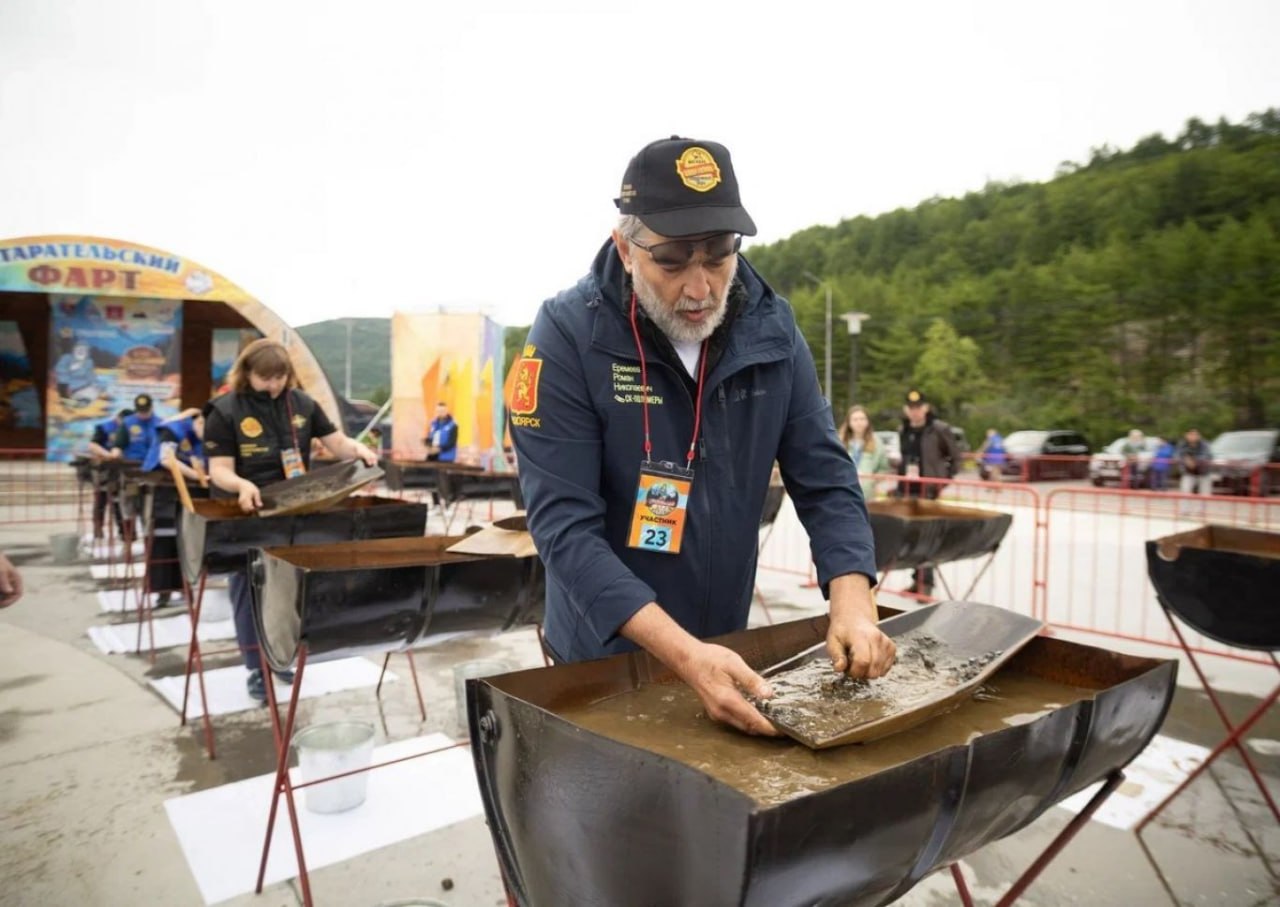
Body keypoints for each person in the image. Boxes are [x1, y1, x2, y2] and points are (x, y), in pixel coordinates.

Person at [510, 135, 894, 737]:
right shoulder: (566, 337)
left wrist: (853, 599)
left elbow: (825, 478)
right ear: (626, 248)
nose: (699, 288)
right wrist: (683, 654)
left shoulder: (773, 329)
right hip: (603, 661)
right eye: (672, 261)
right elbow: (564, 529)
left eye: (718, 256)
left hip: (726, 645)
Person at [203, 339, 379, 702]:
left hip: (295, 512)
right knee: (249, 589)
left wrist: (359, 449)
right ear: (247, 373)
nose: (273, 385)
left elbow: (337, 443)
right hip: (248, 513)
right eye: (265, 378)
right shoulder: (224, 410)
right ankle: (256, 666)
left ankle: (279, 655)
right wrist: (241, 485)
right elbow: (219, 469)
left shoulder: (302, 405)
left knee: (288, 588)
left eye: (279, 377)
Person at [897, 389, 959, 596]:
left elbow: (955, 458)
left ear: (925, 408)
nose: (915, 411)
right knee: (912, 537)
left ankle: (927, 584)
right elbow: (903, 459)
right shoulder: (903, 429)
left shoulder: (938, 429)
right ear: (906, 409)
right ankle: (917, 581)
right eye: (911, 408)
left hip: (928, 491)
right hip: (908, 490)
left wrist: (941, 483)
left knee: (927, 537)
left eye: (918, 407)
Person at [86, 407, 131, 544]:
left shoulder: (131, 427)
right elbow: (93, 445)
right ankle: (98, 530)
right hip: (104, 470)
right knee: (101, 500)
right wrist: (108, 455)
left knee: (120, 503)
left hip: (122, 471)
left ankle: (124, 533)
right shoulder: (104, 427)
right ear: (118, 418)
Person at [837, 405, 889, 499]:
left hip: (867, 494)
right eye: (855, 419)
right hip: (844, 492)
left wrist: (873, 482)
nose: (859, 422)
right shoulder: (840, 441)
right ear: (849, 422)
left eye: (862, 419)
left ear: (867, 421)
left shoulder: (877, 443)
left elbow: (883, 468)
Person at [112, 393, 158, 462]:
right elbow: (118, 445)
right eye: (140, 411)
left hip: (154, 464)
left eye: (145, 411)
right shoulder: (127, 423)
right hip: (133, 462)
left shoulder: (160, 424)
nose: (143, 414)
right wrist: (114, 454)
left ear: (152, 407)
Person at [1176, 428, 1213, 498]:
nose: (1193, 436)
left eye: (1196, 434)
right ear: (1186, 435)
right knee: (1184, 492)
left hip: (1203, 472)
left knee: (1205, 495)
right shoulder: (1182, 444)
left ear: (1199, 436)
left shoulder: (1205, 444)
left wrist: (1194, 461)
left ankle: (1204, 505)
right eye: (1191, 434)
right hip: (1188, 472)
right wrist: (1185, 459)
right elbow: (1177, 455)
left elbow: (1207, 456)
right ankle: (1184, 505)